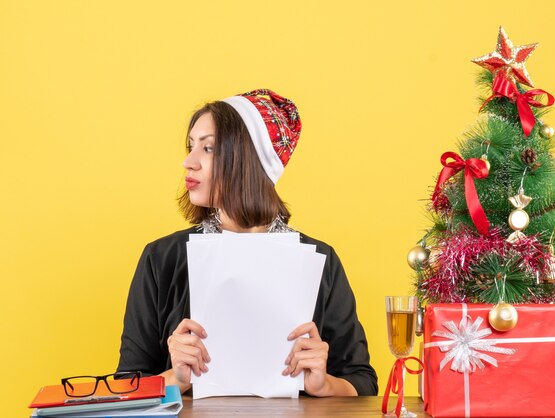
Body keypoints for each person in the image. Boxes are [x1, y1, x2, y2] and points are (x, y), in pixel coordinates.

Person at [116, 89, 378, 397]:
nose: (188, 161)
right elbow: (126, 387)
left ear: (250, 161)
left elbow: (363, 383)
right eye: (191, 147)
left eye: (209, 149)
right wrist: (176, 377)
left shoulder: (319, 261)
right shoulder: (162, 258)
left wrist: (323, 384)